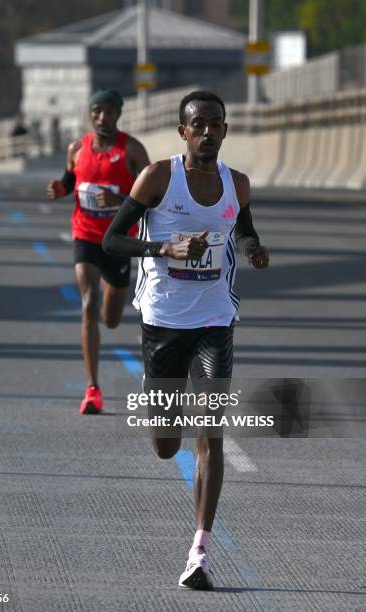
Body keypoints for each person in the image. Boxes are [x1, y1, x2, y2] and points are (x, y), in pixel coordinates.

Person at [103, 90, 269, 590]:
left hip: (215, 322)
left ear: (225, 129)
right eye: (198, 124)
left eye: (216, 123)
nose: (208, 132)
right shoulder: (158, 177)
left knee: (210, 433)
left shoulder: (236, 184)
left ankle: (200, 550)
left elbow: (244, 230)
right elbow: (112, 239)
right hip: (162, 322)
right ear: (183, 131)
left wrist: (254, 249)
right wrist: (164, 246)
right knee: (165, 442)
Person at [47, 90, 150, 414]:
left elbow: (154, 196)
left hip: (118, 239)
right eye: (97, 111)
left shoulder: (132, 150)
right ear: (90, 114)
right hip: (86, 235)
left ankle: (112, 286)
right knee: (88, 303)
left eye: (109, 112)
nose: (102, 117)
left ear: (118, 114)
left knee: (112, 318)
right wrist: (59, 189)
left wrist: (119, 202)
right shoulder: (77, 148)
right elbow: (69, 180)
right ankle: (92, 389)